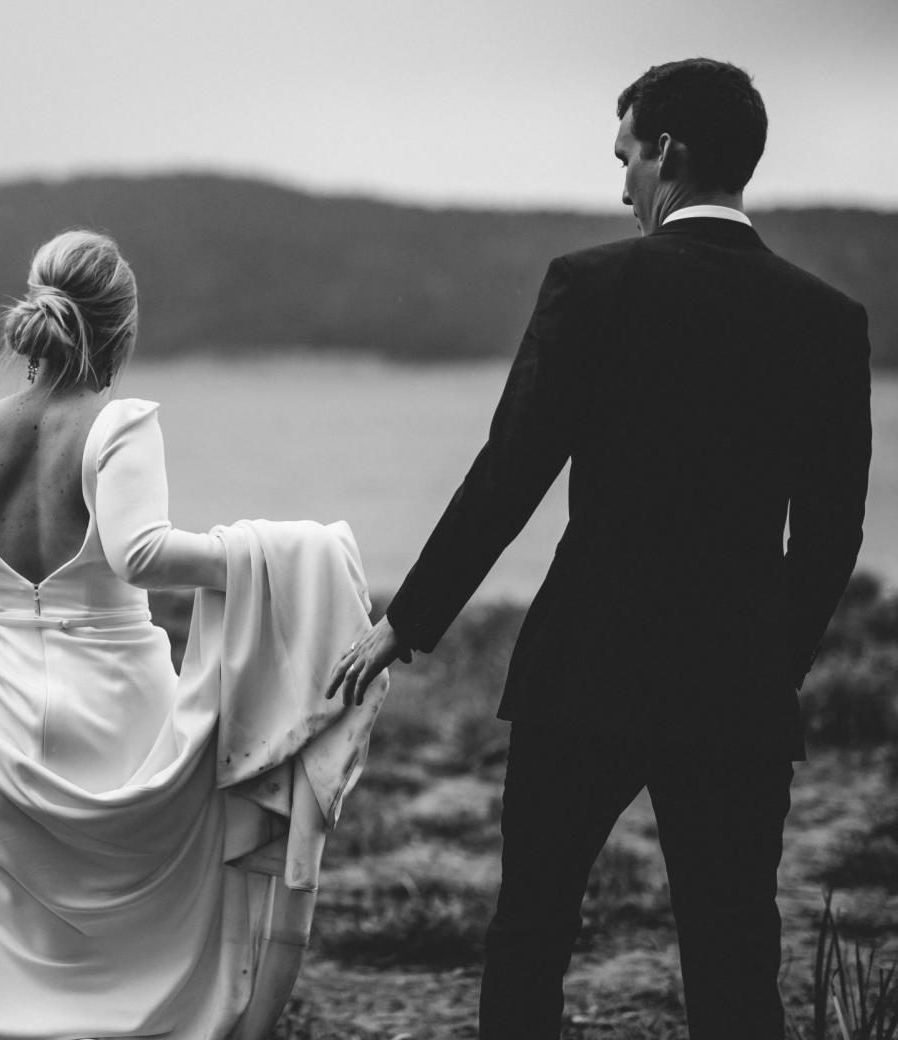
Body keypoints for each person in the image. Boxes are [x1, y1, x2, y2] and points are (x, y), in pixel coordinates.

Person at [331, 58, 872, 1039]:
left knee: (532, 931)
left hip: (586, 670)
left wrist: (403, 623)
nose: (622, 181)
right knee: (736, 951)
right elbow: (834, 533)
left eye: (626, 154)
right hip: (737, 688)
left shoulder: (591, 285)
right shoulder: (829, 322)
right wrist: (767, 657)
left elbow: (510, 473)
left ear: (668, 150)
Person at [0, 229, 383, 1039]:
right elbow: (140, 555)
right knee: (139, 947)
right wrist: (284, 554)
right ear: (119, 327)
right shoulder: (117, 426)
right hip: (119, 716)